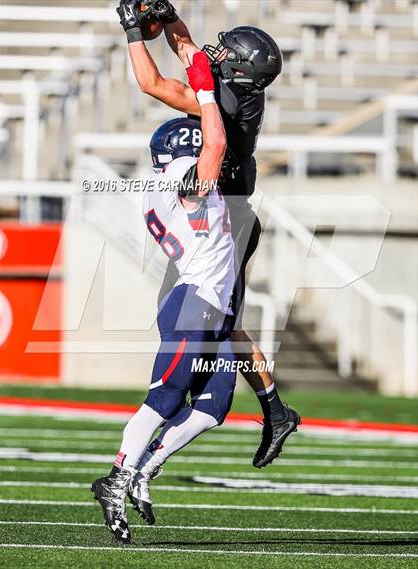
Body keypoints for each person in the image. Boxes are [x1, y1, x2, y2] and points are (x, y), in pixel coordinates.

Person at [116, 0, 301, 472]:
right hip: (215, 221)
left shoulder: (228, 102)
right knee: (208, 323)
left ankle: (270, 411)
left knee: (215, 323)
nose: (215, 54)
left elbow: (154, 83)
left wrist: (135, 31)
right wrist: (168, 16)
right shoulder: (235, 90)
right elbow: (192, 54)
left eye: (226, 52)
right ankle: (272, 410)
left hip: (227, 227)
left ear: (239, 67)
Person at [92, 50, 237, 543]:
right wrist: (204, 93)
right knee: (166, 396)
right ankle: (117, 476)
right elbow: (214, 143)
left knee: (215, 403)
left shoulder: (159, 185)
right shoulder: (183, 179)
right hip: (195, 301)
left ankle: (147, 464)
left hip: (205, 304)